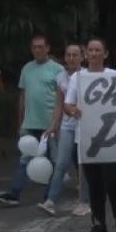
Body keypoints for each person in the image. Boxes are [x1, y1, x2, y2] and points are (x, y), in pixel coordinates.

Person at [65, 37, 116, 232]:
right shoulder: (78, 78)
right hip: (86, 139)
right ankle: (99, 224)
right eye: (90, 50)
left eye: (97, 50)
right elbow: (68, 104)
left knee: (112, 182)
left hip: (112, 139)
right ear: (86, 54)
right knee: (94, 185)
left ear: (105, 54)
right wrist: (73, 110)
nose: (93, 54)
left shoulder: (115, 76)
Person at [0, 34, 64, 206]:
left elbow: (62, 97)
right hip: (29, 123)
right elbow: (23, 95)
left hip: (49, 124)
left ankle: (49, 196)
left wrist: (57, 122)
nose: (37, 50)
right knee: (24, 159)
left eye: (41, 47)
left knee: (53, 160)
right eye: (34, 47)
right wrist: (20, 121)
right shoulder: (27, 68)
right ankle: (14, 194)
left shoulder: (57, 69)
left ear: (47, 48)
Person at [38, 43, 90, 216]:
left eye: (75, 55)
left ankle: (84, 201)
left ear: (82, 57)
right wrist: (53, 125)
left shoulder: (87, 76)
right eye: (68, 55)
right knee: (61, 163)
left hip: (84, 126)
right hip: (68, 126)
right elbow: (59, 104)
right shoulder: (60, 77)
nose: (71, 58)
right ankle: (50, 201)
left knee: (83, 165)